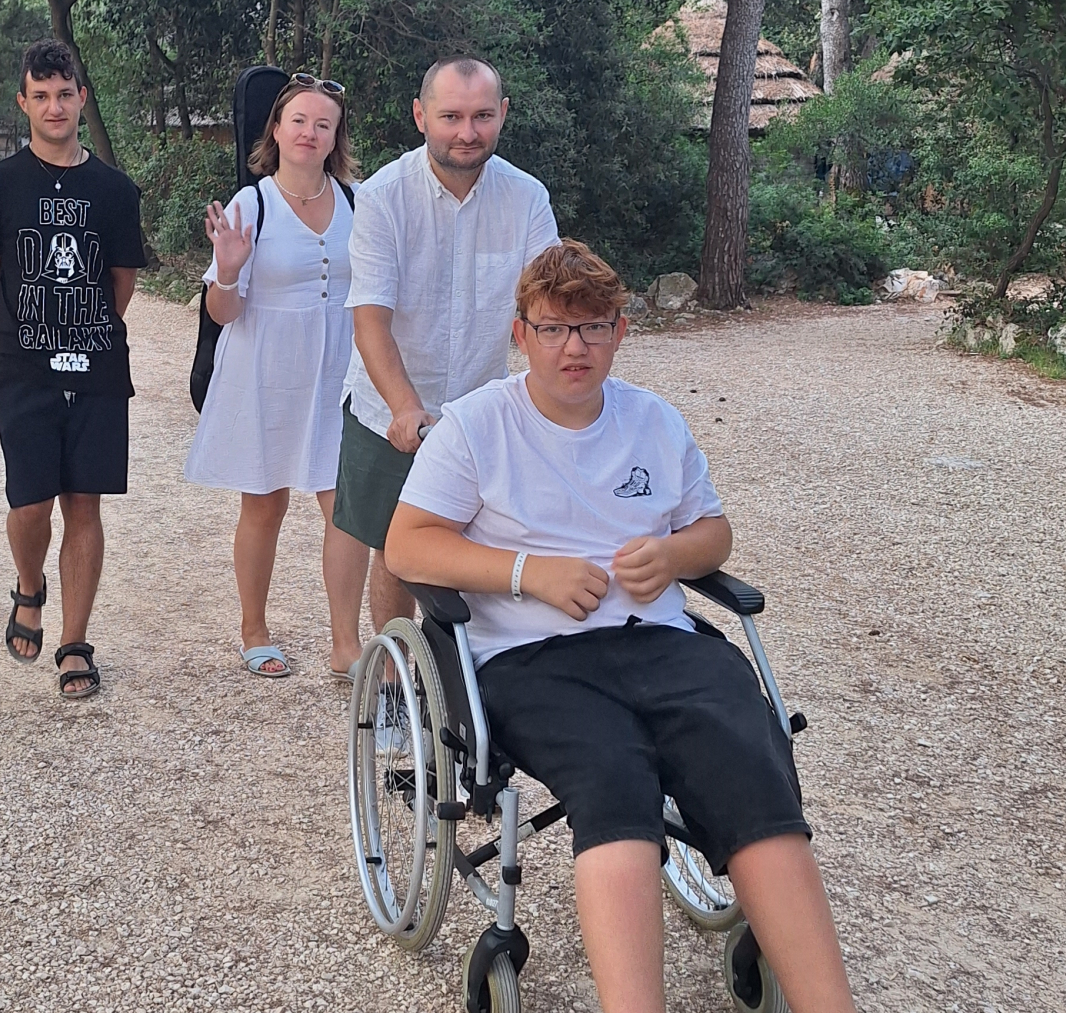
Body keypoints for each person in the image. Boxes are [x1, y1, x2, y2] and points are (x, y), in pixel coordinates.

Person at [385, 242, 856, 1013]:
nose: (574, 347)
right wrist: (528, 571)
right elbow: (407, 545)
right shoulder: (475, 426)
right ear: (521, 333)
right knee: (613, 782)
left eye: (593, 327)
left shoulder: (653, 421)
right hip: (534, 658)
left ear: (620, 332)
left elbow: (713, 533)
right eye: (553, 328)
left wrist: (673, 554)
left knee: (751, 770)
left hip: (663, 643)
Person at [338, 55, 559, 653]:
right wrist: (405, 408)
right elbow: (371, 321)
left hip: (483, 406)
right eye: (451, 117)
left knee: (486, 545)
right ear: (420, 116)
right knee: (395, 548)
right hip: (388, 408)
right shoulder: (382, 197)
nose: (467, 132)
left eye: (482, 116)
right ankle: (391, 678)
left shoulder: (527, 198)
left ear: (503, 114)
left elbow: (547, 305)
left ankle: (474, 670)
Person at [0, 39, 147, 700]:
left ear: (81, 98)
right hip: (23, 370)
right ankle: (29, 584)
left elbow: (120, 284)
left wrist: (81, 335)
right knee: (30, 501)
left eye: (64, 94)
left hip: (97, 368)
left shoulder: (115, 191)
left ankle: (75, 642)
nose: (54, 107)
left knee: (83, 503)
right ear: (23, 102)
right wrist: (22, 343)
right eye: (40, 96)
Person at [185, 73, 367, 679]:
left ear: (335, 137)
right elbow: (222, 313)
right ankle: (254, 628)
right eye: (299, 121)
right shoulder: (251, 204)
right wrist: (227, 271)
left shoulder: (360, 202)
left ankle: (346, 644)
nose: (310, 132)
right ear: (278, 130)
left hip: (339, 372)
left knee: (346, 507)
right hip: (267, 370)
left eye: (323, 124)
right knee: (265, 503)